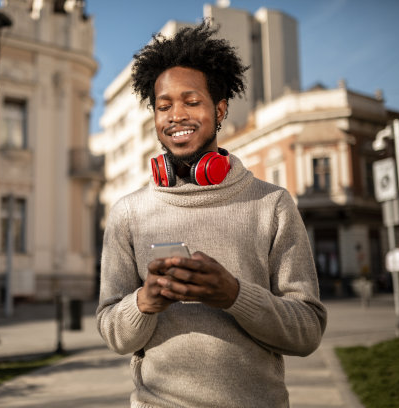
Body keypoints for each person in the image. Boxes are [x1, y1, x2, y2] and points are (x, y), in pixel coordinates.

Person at [96, 21, 327, 408]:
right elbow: (112, 332)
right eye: (163, 106)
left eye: (192, 101)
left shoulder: (271, 203)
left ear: (219, 109)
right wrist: (144, 303)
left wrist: (235, 296)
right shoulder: (128, 212)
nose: (175, 116)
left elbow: (307, 332)